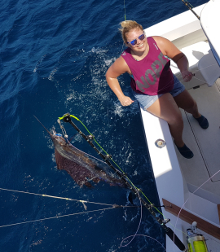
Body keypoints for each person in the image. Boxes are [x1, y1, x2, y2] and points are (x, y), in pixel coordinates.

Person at [106, 20, 209, 159]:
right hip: (149, 94)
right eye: (133, 41)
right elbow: (110, 76)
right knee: (176, 118)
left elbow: (179, 57)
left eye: (141, 37)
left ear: (144, 34)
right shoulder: (124, 61)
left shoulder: (159, 43)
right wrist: (121, 96)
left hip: (169, 81)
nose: (139, 42)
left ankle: (197, 115)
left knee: (191, 105)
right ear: (127, 44)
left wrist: (184, 70)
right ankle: (179, 143)